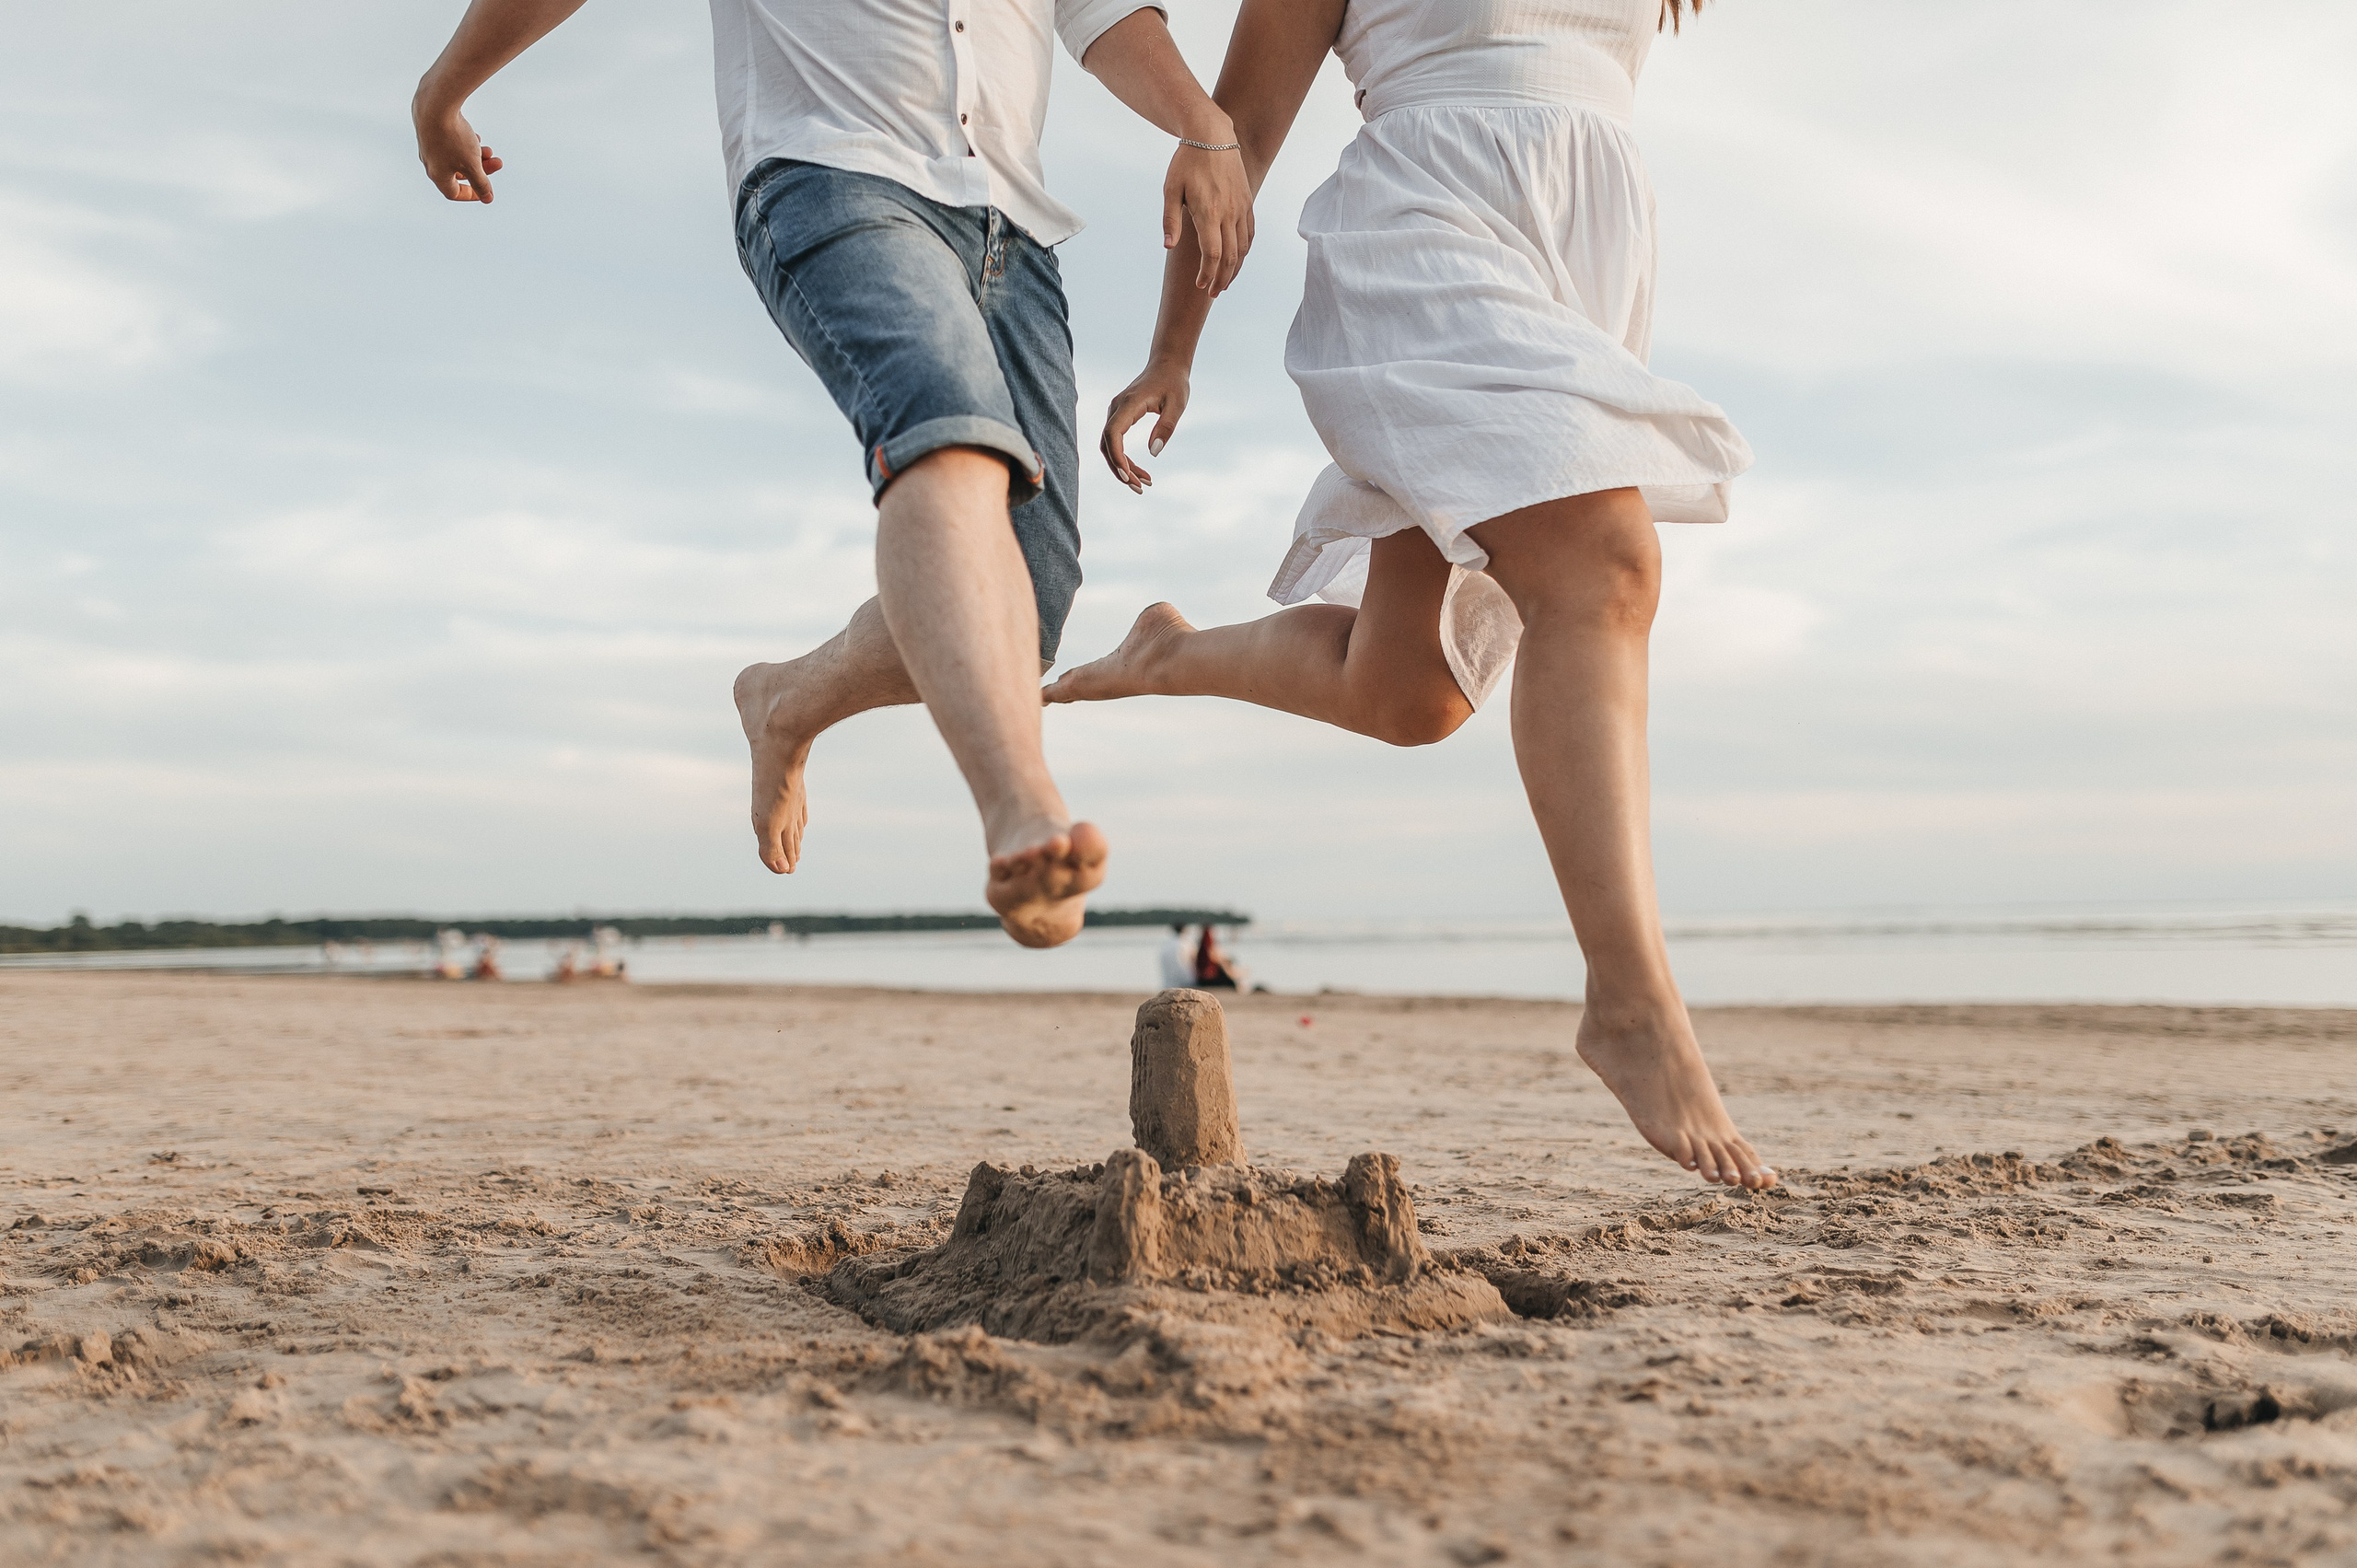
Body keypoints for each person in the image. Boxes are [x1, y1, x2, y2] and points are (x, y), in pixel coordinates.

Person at [1047, 0, 1775, 1188]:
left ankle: (1170, 653)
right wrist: (1172, 348)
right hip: (1422, 232)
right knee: (1607, 567)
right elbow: (1235, 138)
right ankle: (1630, 1001)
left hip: (1578, 250)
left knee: (1409, 690)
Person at [410, 0, 1255, 947]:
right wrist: (443, 93)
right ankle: (1023, 808)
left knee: (1027, 612)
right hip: (830, 172)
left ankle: (784, 700)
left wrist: (1203, 122)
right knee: (947, 432)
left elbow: (1096, 12)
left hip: (1010, 229)